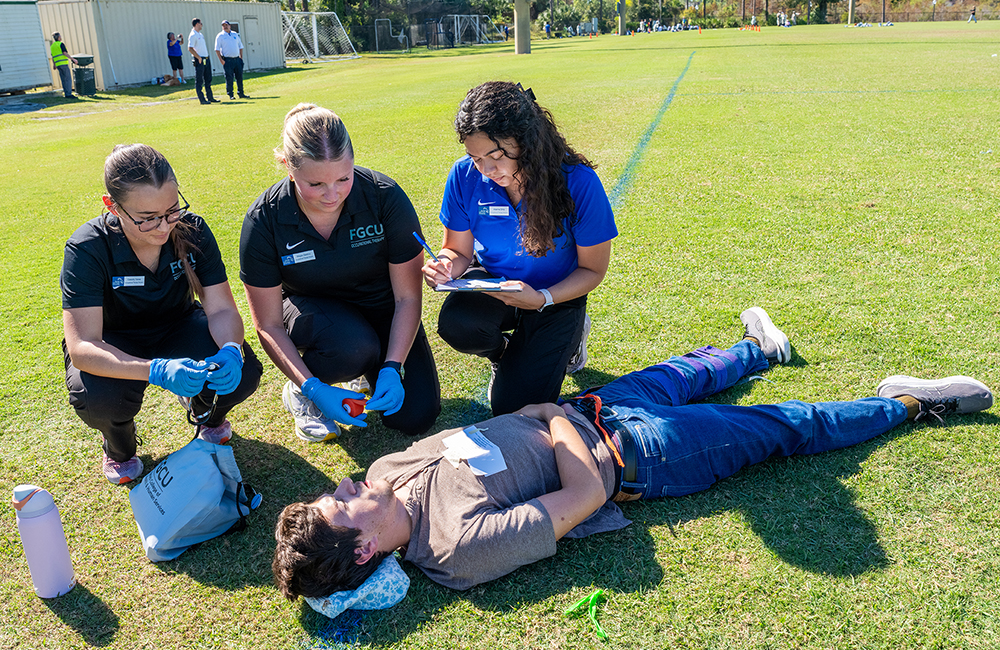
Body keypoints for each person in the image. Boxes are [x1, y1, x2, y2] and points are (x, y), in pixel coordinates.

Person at [272, 307, 994, 596]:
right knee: (786, 427)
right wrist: (554, 419)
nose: (342, 481)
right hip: (640, 457)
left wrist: (542, 412)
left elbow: (484, 438)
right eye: (339, 503)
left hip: (592, 410)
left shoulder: (385, 473)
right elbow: (582, 500)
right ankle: (911, 405)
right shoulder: (455, 551)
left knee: (695, 367)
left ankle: (757, 346)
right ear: (364, 549)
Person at [61, 144, 263, 484]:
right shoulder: (87, 248)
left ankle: (206, 414)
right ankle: (119, 448)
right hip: (114, 341)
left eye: (171, 210)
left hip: (177, 325)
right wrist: (154, 370)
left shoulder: (192, 229)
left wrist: (230, 348)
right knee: (98, 398)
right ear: (112, 206)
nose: (163, 226)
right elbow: (83, 347)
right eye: (147, 218)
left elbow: (222, 308)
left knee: (243, 371)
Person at [240, 104, 441, 442]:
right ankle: (301, 392)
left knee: (414, 416)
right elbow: (269, 324)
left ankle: (373, 367)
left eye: (343, 179)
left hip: (381, 307)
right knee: (353, 346)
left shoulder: (384, 196)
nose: (332, 195)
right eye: (316, 183)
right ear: (289, 167)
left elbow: (407, 297)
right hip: (313, 313)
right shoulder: (264, 220)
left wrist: (393, 367)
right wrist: (313, 387)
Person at [422, 81, 617, 416]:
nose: (485, 169)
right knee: (457, 324)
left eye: (495, 156)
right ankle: (504, 355)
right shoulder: (464, 176)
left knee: (514, 409)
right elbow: (457, 251)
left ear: (526, 141)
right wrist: (444, 266)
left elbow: (593, 269)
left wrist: (543, 298)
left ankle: (571, 336)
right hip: (495, 286)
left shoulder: (579, 182)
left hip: (555, 296)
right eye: (475, 157)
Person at [215, 20, 248, 100]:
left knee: (239, 77)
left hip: (237, 59)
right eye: (223, 25)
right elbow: (217, 49)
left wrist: (241, 57)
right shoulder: (220, 36)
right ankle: (231, 94)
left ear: (229, 26)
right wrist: (221, 60)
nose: (225, 27)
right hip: (227, 60)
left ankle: (241, 93)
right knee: (229, 78)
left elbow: (240, 46)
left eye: (226, 25)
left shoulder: (235, 34)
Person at [188, 18, 218, 105]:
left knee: (208, 78)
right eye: (201, 23)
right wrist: (198, 57)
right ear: (197, 24)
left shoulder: (200, 34)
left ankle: (210, 97)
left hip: (206, 59)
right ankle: (202, 99)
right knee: (199, 80)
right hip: (200, 60)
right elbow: (190, 48)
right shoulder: (193, 35)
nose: (202, 25)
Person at [50, 33, 77, 99]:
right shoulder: (60, 44)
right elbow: (64, 53)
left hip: (58, 65)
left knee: (63, 79)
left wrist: (54, 64)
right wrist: (72, 59)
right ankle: (68, 94)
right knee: (68, 79)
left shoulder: (52, 46)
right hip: (63, 64)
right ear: (59, 37)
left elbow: (53, 56)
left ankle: (66, 93)